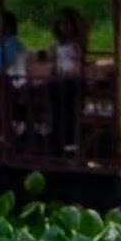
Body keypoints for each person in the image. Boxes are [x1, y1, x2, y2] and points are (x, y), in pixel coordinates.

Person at [44, 8, 91, 158]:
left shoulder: (77, 44)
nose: (63, 27)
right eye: (61, 24)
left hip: (72, 83)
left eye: (67, 24)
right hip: (60, 81)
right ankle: (58, 142)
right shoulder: (57, 45)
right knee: (58, 112)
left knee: (69, 114)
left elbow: (75, 62)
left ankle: (68, 144)